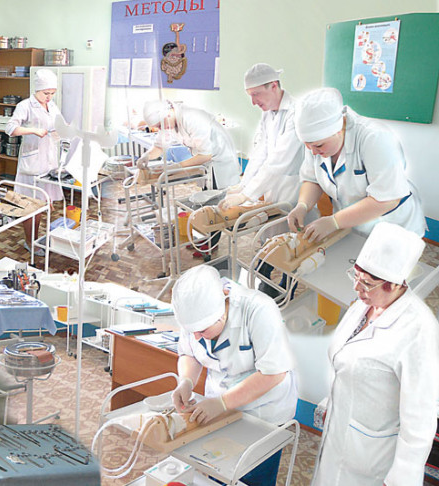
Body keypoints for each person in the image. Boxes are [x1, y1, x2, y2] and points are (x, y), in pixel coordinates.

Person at [312, 222, 439, 486]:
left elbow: (421, 416)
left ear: (395, 285)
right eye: (355, 276)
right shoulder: (365, 304)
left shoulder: (419, 330)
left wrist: (403, 476)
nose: (357, 288)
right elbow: (347, 359)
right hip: (338, 433)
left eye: (367, 283)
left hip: (372, 457)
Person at [171, 265, 297, 486]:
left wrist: (223, 402)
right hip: (218, 410)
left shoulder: (259, 310)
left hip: (263, 413)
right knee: (217, 470)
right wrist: (186, 381)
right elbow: (189, 353)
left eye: (203, 330)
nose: (197, 336)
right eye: (193, 331)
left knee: (251, 477)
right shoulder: (195, 315)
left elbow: (274, 373)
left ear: (224, 306)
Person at [287, 87, 426, 242]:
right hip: (351, 223)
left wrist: (334, 221)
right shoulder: (316, 143)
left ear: (339, 129)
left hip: (393, 227)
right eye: (307, 146)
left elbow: (388, 199)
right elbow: (312, 179)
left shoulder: (376, 138)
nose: (313, 152)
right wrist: (303, 205)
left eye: (318, 146)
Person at [222, 63, 308, 297]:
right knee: (271, 238)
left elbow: (279, 161)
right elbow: (260, 152)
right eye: (249, 95)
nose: (253, 102)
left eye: (256, 94)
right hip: (273, 187)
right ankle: (266, 282)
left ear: (274, 86)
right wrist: (243, 185)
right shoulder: (268, 114)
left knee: (291, 244)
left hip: (294, 187)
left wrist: (246, 194)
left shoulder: (296, 113)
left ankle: (285, 291)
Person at [141, 100, 241, 257]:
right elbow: (159, 146)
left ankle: (211, 244)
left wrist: (177, 167)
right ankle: (206, 238)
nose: (160, 129)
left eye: (160, 125)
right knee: (206, 201)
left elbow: (206, 154)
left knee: (215, 204)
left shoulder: (192, 117)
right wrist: (146, 156)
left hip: (220, 163)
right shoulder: (169, 122)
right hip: (206, 165)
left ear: (167, 114)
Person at [6, 69, 64, 256]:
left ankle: (36, 239)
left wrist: (64, 131)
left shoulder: (52, 106)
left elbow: (59, 125)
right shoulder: (25, 105)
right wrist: (33, 130)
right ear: (37, 89)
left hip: (49, 162)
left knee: (44, 204)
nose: (49, 97)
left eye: (52, 93)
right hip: (32, 165)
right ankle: (30, 242)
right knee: (31, 206)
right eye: (46, 93)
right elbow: (10, 128)